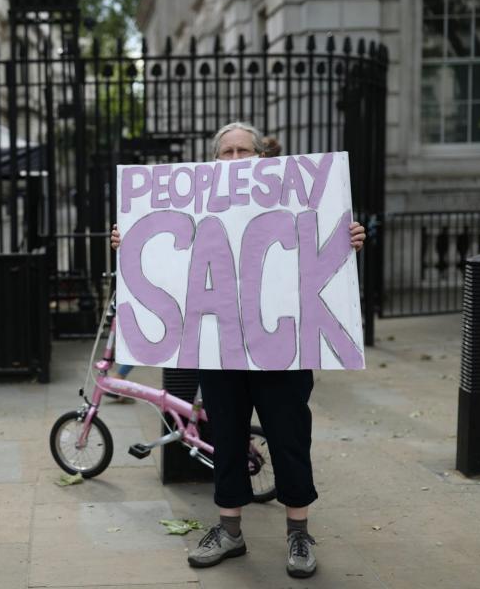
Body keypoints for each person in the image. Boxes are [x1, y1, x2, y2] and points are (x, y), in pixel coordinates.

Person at [110, 122, 366, 578]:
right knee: (225, 437)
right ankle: (230, 530)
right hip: (220, 345)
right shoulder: (199, 207)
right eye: (225, 152)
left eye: (242, 150)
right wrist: (128, 240)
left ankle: (298, 534)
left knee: (289, 436)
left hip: (281, 350)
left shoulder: (293, 201)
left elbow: (318, 247)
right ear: (213, 161)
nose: (233, 159)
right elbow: (167, 259)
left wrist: (348, 240)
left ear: (262, 157)